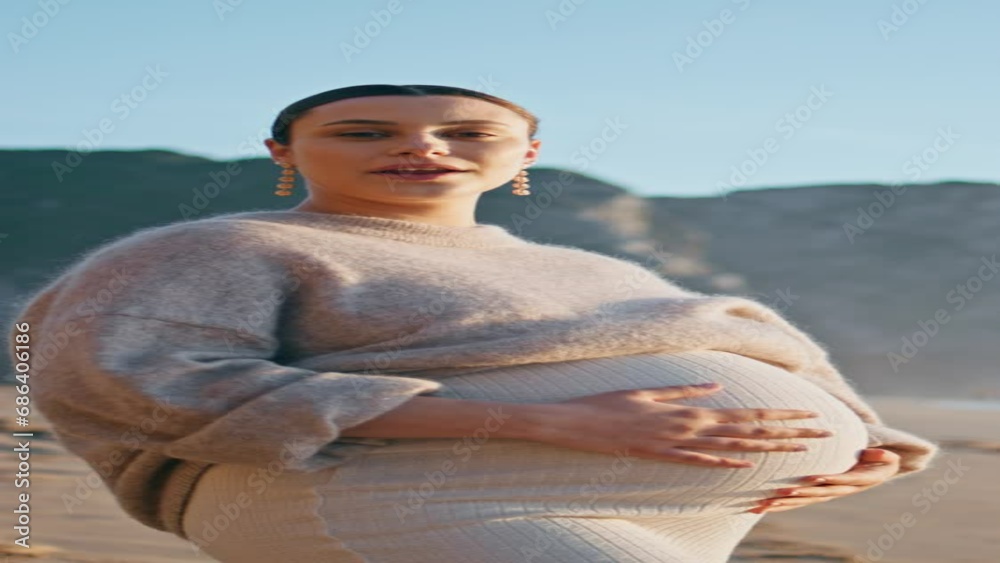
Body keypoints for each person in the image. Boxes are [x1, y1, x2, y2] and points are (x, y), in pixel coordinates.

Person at [9, 84, 939, 563]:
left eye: (465, 132)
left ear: (524, 155)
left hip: (699, 516)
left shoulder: (588, 265)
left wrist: (861, 446)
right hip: (415, 500)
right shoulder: (218, 246)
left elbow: (765, 345)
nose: (421, 146)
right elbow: (142, 379)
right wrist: (553, 421)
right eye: (365, 131)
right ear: (283, 152)